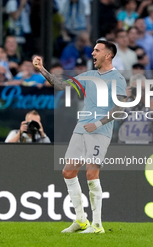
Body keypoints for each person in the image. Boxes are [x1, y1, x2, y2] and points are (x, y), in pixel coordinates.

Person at [33, 40, 127, 233]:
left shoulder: (117, 78)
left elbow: (119, 109)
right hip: (81, 129)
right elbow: (60, 85)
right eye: (93, 50)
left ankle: (98, 225)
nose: (93, 53)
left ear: (108, 55)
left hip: (100, 131)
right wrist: (42, 69)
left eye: (97, 50)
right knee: (68, 172)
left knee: (92, 174)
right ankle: (80, 219)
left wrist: (98, 123)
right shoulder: (89, 75)